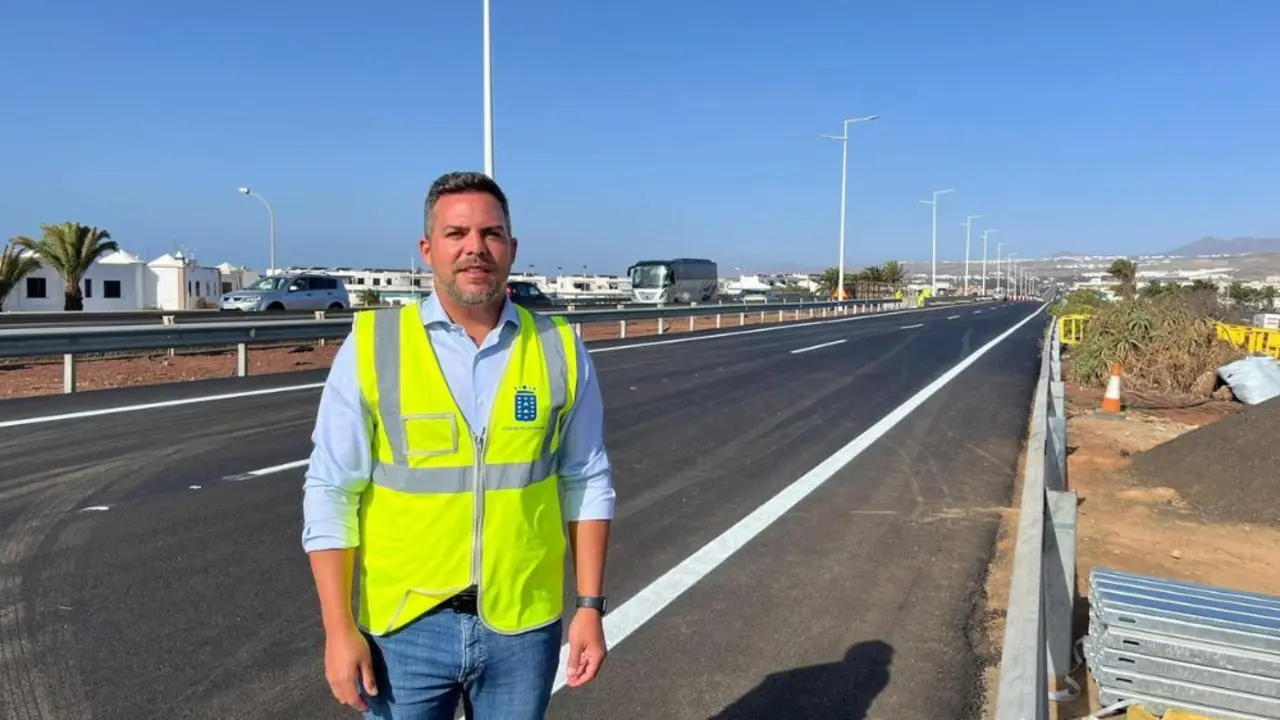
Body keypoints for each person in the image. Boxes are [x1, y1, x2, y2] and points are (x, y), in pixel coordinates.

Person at [301, 170, 616, 719]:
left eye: (492, 234)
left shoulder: (560, 348)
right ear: (427, 250)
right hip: (404, 629)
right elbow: (331, 490)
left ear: (512, 249)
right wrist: (337, 628)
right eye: (457, 234)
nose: (476, 248)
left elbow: (586, 479)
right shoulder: (374, 345)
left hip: (523, 626)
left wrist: (589, 605)